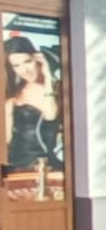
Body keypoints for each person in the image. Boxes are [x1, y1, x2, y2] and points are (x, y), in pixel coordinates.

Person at [4, 33, 63, 177]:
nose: (24, 70)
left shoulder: (56, 88)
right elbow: (6, 137)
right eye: (16, 66)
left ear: (38, 59)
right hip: (15, 163)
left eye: (28, 61)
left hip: (43, 164)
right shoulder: (15, 92)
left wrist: (48, 77)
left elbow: (50, 115)